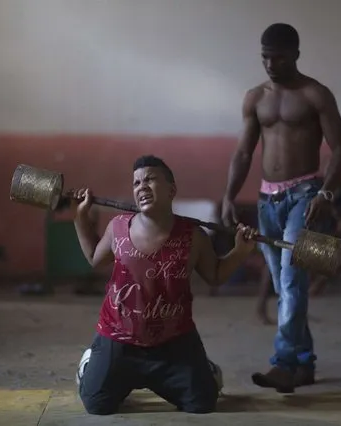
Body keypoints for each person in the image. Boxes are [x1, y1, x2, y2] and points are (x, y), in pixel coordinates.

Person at [73, 155, 257, 415]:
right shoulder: (118, 228)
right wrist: (81, 218)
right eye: (136, 183)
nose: (142, 187)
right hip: (118, 339)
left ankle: (203, 368)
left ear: (171, 190)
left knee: (202, 403)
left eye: (150, 180)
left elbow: (214, 275)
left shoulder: (194, 236)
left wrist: (240, 252)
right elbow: (94, 258)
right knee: (96, 404)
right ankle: (90, 363)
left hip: (174, 342)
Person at [221, 23, 341, 393]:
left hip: (306, 197)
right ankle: (305, 362)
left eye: (277, 56)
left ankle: (283, 364)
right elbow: (244, 152)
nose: (270, 63)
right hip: (266, 201)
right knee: (284, 287)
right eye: (264, 56)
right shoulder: (254, 97)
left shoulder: (316, 94)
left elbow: (340, 149)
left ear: (295, 53)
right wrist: (230, 195)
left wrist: (325, 195)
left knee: (293, 282)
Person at [309, 178, 341, 296]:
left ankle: (320, 283)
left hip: (339, 237)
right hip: (317, 235)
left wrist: (333, 211)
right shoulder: (316, 190)